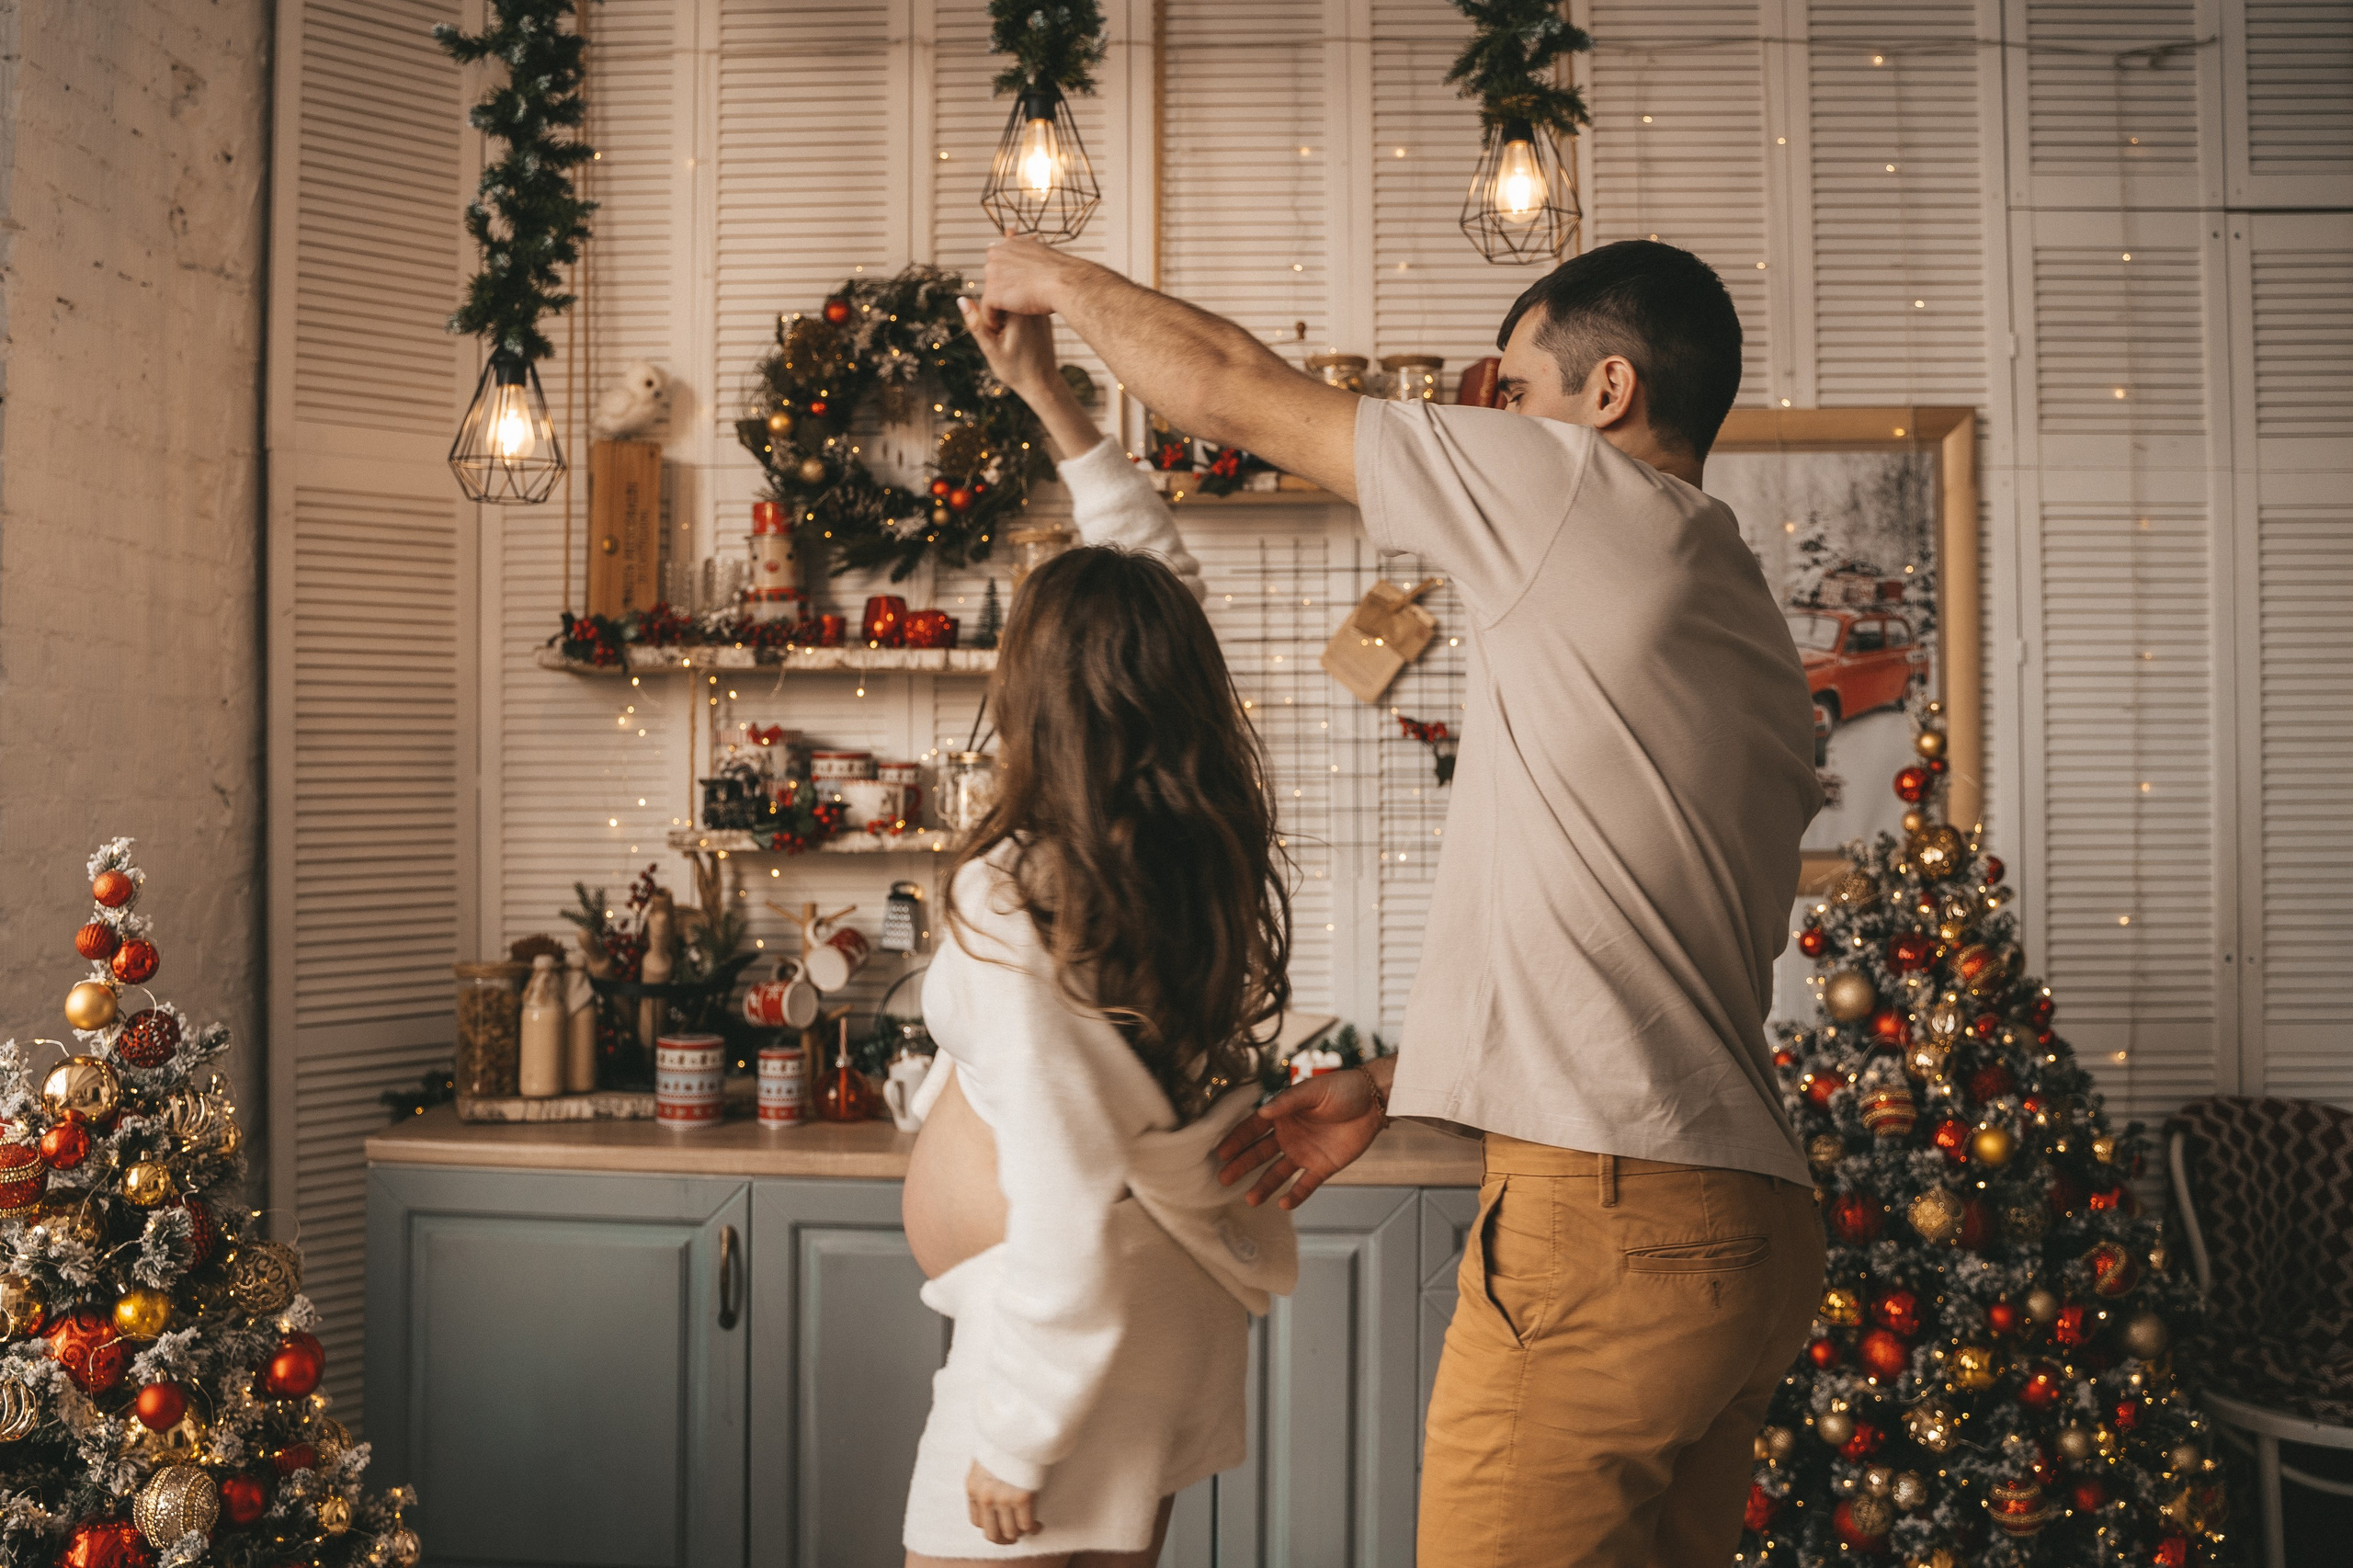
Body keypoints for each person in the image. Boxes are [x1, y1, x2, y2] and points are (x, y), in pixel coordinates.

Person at [978, 236, 1827, 1567]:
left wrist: (1050, 280)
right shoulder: (1741, 619)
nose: (1493, 422)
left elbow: (1225, 388)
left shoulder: (1571, 492)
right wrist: (1396, 1084)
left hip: (1609, 1232)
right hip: (1742, 1231)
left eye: (1518, 388)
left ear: (1606, 394)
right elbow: (1637, 943)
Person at [896, 301, 1297, 1566]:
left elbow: (1065, 1191)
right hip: (1155, 1306)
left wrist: (1016, 1433)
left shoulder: (1016, 899)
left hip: (1063, 1319)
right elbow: (1154, 590)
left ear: (1033, 699)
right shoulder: (1182, 839)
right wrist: (1054, 403)